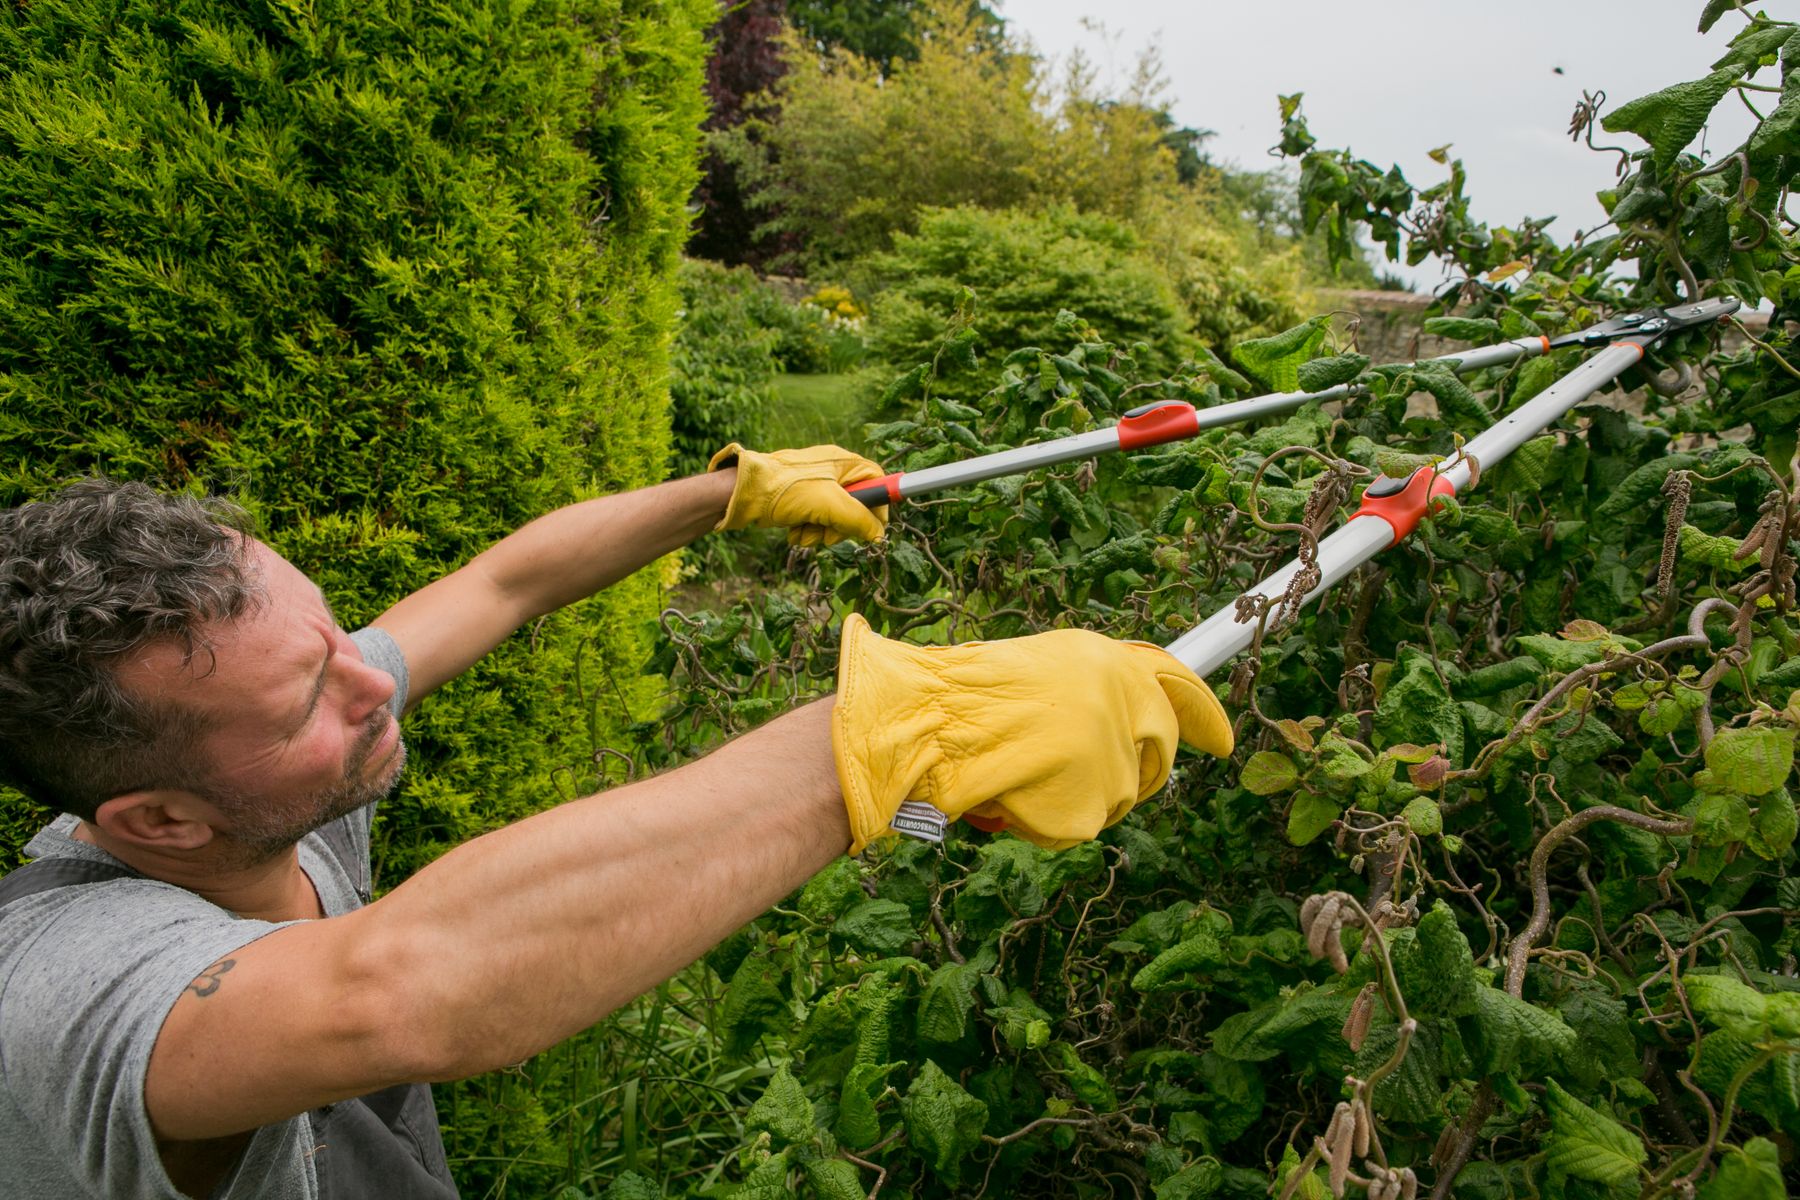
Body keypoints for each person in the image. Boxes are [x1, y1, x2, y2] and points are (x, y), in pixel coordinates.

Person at [0, 445, 1232, 1199]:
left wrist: (725, 496)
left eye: (330, 634)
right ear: (155, 820)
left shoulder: (270, 761)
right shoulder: (55, 984)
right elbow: (399, 987)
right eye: (310, 694)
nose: (376, 678)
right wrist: (897, 735)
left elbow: (503, 581)